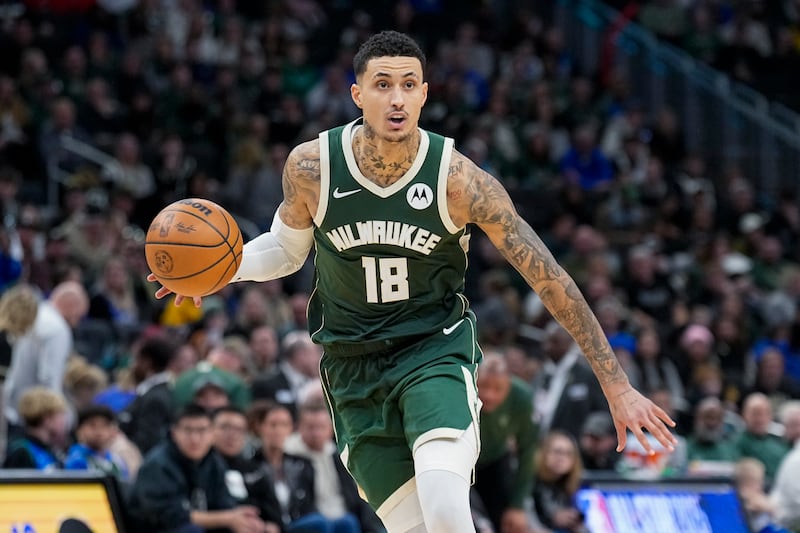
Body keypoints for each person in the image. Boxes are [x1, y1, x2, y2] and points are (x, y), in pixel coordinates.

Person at [151, 30, 676, 533]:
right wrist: (224, 269)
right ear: (357, 94)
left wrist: (617, 385)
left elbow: (549, 279)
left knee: (445, 507)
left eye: (408, 84)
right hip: (352, 366)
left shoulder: (459, 181)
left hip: (432, 350)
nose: (397, 98)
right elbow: (286, 253)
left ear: (425, 93)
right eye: (382, 84)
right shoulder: (312, 166)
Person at [127, 403, 269, 533]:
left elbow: (224, 504)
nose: (195, 439)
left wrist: (245, 521)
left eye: (202, 430)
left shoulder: (214, 461)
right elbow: (169, 516)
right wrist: (228, 518)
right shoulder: (157, 464)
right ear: (174, 433)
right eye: (188, 430)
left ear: (212, 434)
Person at [473, 351, 538, 533]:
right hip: (461, 463)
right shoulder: (461, 390)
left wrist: (517, 505)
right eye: (484, 386)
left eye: (498, 389)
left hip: (495, 462)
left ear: (509, 384)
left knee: (506, 521)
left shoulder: (522, 397)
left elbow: (528, 451)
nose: (489, 395)